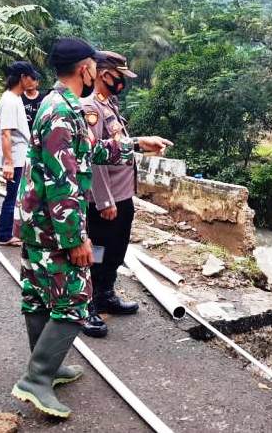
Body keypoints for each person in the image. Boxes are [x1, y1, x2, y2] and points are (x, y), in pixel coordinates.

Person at [11, 38, 135, 419]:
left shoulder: (59, 105)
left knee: (37, 296)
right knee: (75, 300)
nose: (97, 72)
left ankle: (46, 367)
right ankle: (37, 378)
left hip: (38, 222)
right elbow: (61, 182)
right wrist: (76, 239)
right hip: (53, 228)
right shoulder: (62, 114)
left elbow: (88, 151)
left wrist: (137, 146)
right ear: (85, 69)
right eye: (95, 66)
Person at [81, 51, 172, 338]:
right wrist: (104, 199)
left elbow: (119, 143)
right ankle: (86, 304)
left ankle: (105, 293)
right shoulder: (89, 107)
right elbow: (94, 157)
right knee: (96, 252)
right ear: (104, 74)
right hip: (103, 198)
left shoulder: (109, 103)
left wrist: (143, 144)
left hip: (122, 194)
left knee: (116, 249)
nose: (122, 82)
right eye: (119, 76)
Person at [0, 61, 36, 247]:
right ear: (22, 78)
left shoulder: (14, 97)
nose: (33, 81)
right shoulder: (11, 100)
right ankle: (5, 235)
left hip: (19, 155)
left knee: (16, 196)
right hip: (16, 158)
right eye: (31, 77)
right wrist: (8, 162)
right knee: (12, 196)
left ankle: (12, 231)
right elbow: (6, 133)